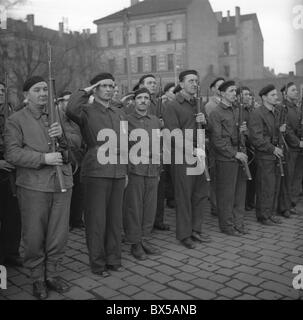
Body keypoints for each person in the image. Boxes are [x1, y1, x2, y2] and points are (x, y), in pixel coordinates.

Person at [4, 76, 73, 299]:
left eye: (45, 89)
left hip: (62, 183)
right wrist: (44, 157)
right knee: (34, 235)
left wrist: (63, 138)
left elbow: (74, 144)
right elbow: (12, 153)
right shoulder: (16, 120)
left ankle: (51, 274)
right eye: (37, 90)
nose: (43, 93)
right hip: (34, 186)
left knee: (58, 234)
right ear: (26, 95)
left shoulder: (58, 114)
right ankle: (36, 278)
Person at [66, 73, 127, 277]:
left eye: (112, 85)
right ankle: (98, 263)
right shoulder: (86, 111)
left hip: (118, 170)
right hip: (96, 171)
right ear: (96, 89)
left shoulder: (119, 112)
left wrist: (124, 170)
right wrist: (87, 90)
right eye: (104, 86)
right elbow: (70, 108)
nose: (109, 89)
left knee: (114, 219)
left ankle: (114, 258)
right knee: (96, 220)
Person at [163, 69, 211, 249]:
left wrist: (204, 121)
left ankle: (196, 229)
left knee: (200, 194)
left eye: (196, 81)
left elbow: (208, 130)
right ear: (181, 84)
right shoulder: (173, 105)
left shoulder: (198, 104)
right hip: (182, 157)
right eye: (190, 81)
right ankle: (184, 234)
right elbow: (172, 134)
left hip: (200, 155)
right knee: (184, 196)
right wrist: (192, 149)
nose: (194, 84)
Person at [124, 88, 161, 260]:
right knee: (134, 208)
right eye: (139, 98)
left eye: (146, 98)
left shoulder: (154, 120)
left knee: (149, 207)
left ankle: (145, 239)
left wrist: (159, 167)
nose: (143, 101)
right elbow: (123, 147)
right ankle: (135, 242)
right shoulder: (126, 120)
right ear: (134, 101)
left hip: (152, 169)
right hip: (135, 170)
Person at [208, 81, 249, 236]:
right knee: (226, 194)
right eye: (231, 91)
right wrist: (234, 153)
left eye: (235, 91)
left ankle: (239, 223)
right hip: (226, 159)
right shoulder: (216, 113)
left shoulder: (237, 110)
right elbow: (217, 140)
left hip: (240, 156)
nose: (234, 94)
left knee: (240, 193)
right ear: (222, 93)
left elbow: (241, 134)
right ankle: (227, 226)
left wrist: (243, 132)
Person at [248, 84, 283, 226]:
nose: (276, 97)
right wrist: (272, 149)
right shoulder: (257, 113)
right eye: (273, 95)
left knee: (273, 185)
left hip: (274, 154)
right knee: (265, 186)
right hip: (264, 155)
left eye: (276, 94)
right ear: (264, 97)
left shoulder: (275, 111)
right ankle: (263, 215)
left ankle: (270, 213)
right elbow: (256, 138)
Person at [0, 80, 22, 268]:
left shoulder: (12, 115)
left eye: (1, 90)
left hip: (12, 173)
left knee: (13, 216)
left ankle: (11, 253)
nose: (0, 93)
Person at [57, 90, 86, 230]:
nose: (69, 104)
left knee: (79, 191)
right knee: (66, 191)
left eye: (71, 101)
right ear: (60, 102)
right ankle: (66, 221)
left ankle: (77, 220)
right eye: (66, 100)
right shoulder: (56, 118)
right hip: (65, 156)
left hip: (79, 156)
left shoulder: (77, 118)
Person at [281, 83, 303, 215]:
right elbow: (286, 129)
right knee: (288, 178)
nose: (296, 92)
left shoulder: (297, 108)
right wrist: (297, 143)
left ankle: (292, 203)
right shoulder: (283, 108)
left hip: (299, 149)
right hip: (290, 149)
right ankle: (285, 207)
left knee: (297, 177)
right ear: (285, 93)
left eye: (297, 90)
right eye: (293, 90)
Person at [204, 77, 225, 217]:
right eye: (218, 86)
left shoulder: (225, 104)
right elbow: (214, 128)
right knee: (215, 176)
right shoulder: (211, 105)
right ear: (213, 89)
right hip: (215, 144)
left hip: (224, 144)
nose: (221, 89)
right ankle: (215, 206)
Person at [236, 87, 257, 212]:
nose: (248, 96)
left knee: (253, 175)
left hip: (253, 145)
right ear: (239, 96)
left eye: (249, 94)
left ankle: (250, 200)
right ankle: (244, 202)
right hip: (244, 146)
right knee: (244, 176)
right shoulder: (238, 111)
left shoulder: (251, 110)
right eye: (245, 94)